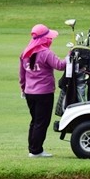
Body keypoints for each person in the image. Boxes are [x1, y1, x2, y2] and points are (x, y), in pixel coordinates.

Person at [19, 24, 67, 158]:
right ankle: (36, 150)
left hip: (29, 93)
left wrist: (23, 88)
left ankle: (33, 149)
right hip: (44, 93)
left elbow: (22, 74)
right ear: (44, 39)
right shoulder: (46, 53)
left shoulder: (25, 52)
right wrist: (69, 57)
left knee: (35, 121)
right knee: (42, 122)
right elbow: (60, 65)